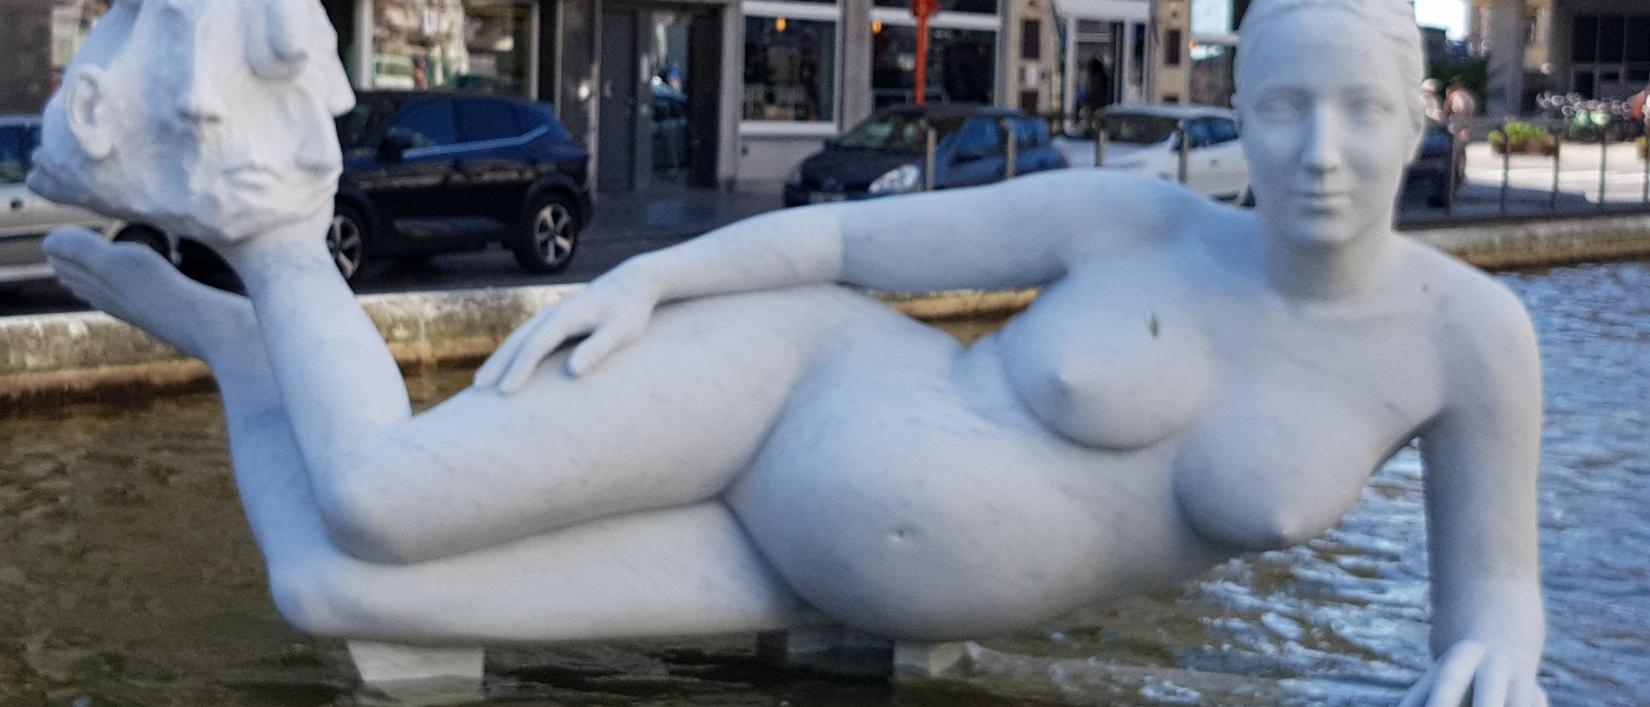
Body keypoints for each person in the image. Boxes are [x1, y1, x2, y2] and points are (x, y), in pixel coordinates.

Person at [31, 0, 1548, 704]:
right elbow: (839, 247)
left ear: (1422, 118)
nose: (1321, 150)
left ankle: (242, 355)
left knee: (329, 586)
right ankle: (279, 246)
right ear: (1239, 104)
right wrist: (654, 287)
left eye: (1361, 111)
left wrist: (1501, 667)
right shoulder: (1130, 220)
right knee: (375, 504)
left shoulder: (1466, 338)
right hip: (794, 382)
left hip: (813, 574)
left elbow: (1494, 600)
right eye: (1283, 107)